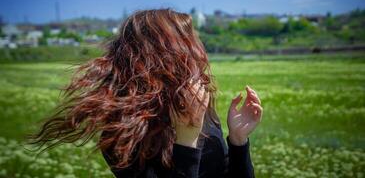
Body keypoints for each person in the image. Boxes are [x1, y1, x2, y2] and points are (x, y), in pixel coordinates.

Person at [30, 9, 263, 178]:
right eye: (189, 45)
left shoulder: (199, 109)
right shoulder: (121, 138)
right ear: (160, 58)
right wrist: (186, 140)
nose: (201, 55)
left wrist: (238, 140)